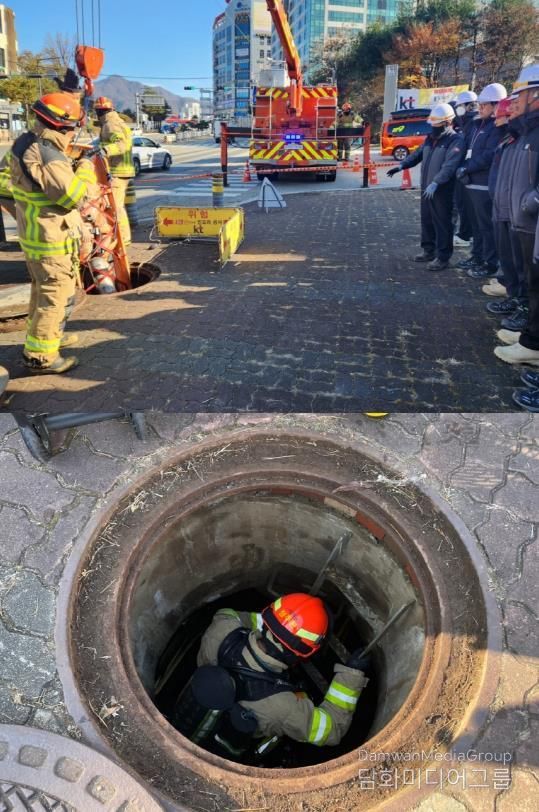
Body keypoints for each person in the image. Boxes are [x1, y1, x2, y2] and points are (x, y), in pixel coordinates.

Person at [177, 593, 370, 759]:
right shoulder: (284, 708)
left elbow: (228, 614)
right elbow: (332, 729)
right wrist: (351, 675)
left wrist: (276, 628)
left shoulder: (221, 629)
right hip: (234, 745)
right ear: (304, 654)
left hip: (187, 711)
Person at [10, 92, 96, 374]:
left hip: (36, 235)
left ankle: (48, 340)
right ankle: (40, 358)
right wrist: (84, 168)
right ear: (61, 125)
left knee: (43, 292)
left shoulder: (25, 142)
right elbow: (73, 196)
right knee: (54, 295)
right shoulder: (47, 154)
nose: (73, 134)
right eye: (72, 128)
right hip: (52, 239)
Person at [494, 63, 539, 378]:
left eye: (521, 95)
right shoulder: (525, 134)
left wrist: (530, 202)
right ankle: (531, 335)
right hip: (519, 220)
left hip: (529, 221)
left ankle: (532, 342)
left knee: (533, 282)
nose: (515, 102)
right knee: (530, 282)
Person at [387, 103, 464, 271]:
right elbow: (417, 155)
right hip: (427, 188)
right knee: (427, 220)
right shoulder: (431, 138)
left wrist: (437, 182)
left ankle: (443, 257)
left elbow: (450, 166)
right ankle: (428, 250)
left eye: (437, 124)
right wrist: (402, 166)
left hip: (443, 190)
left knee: (443, 223)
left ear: (447, 123)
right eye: (432, 123)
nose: (433, 127)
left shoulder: (455, 140)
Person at [455, 83, 507, 279]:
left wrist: (467, 166)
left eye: (485, 105)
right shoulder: (478, 125)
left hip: (484, 184)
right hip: (470, 182)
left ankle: (490, 263)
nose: (480, 108)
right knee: (476, 225)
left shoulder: (497, 128)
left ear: (497, 105)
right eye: (480, 104)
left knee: (486, 227)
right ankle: (477, 256)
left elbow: (489, 155)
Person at [486, 96, 527, 330]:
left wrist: (528, 203)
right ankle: (514, 298)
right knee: (510, 259)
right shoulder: (510, 140)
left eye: (503, 116)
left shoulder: (525, 139)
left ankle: (524, 309)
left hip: (519, 214)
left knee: (523, 268)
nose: (498, 120)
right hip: (503, 208)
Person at [94, 96, 135, 249]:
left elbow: (121, 144)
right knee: (116, 206)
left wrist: (104, 151)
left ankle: (123, 240)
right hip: (121, 170)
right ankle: (121, 237)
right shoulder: (114, 121)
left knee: (116, 207)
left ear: (99, 111)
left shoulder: (110, 123)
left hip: (117, 171)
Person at [453, 90, 479, 246]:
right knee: (464, 205)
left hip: (467, 172)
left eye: (460, 106)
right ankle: (466, 233)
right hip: (464, 171)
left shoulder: (472, 123)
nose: (458, 109)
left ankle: (465, 235)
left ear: (468, 106)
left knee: (466, 206)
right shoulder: (466, 123)